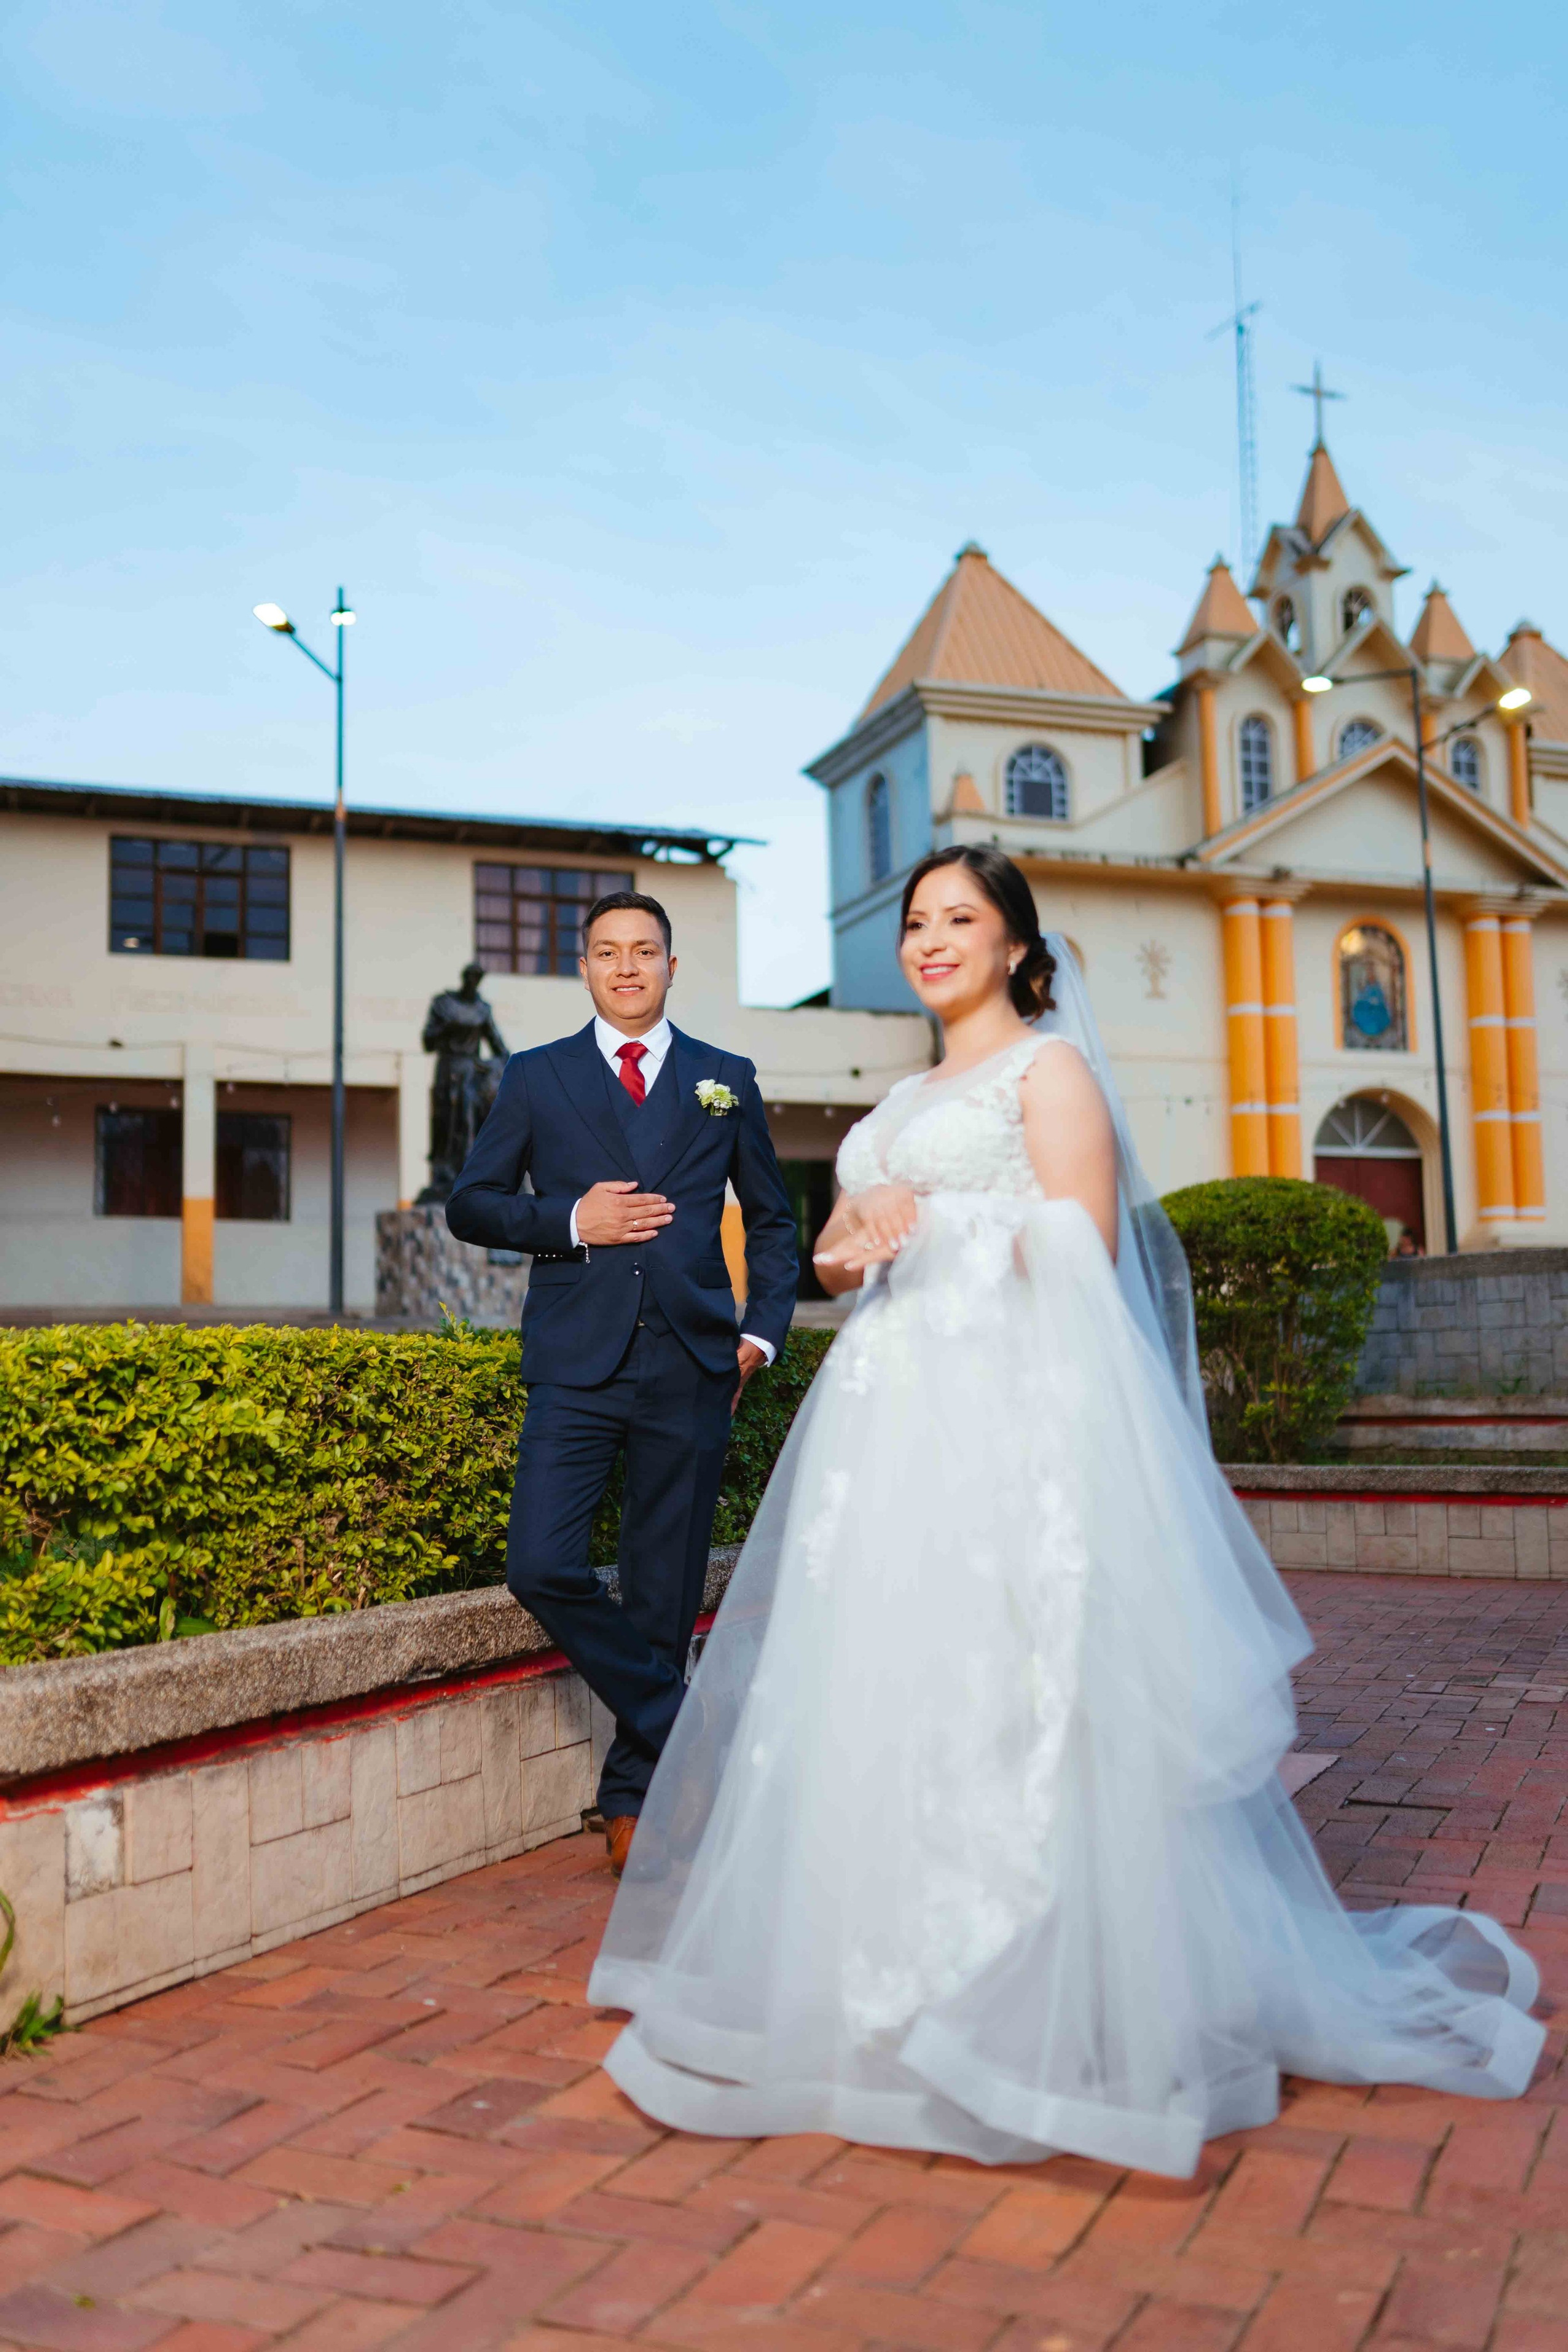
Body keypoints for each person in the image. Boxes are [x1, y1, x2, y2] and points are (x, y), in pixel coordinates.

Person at [589, 845, 1543, 2179]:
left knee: (1011, 1685)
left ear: (1015, 948)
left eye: (958, 920)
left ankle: (1034, 1986)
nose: (929, 940)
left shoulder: (1049, 1071)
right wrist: (853, 1224)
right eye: (916, 921)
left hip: (1002, 1419)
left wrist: (939, 1221)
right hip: (886, 1425)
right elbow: (835, 1250)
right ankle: (883, 1974)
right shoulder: (901, 1091)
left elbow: (1081, 1241)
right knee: (884, 1681)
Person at [445, 890, 798, 1877]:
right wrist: (567, 1221)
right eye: (609, 952)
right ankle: (687, 1727)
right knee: (540, 1564)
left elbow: (773, 1222)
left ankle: (632, 1799)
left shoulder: (726, 1080)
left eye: (646, 951)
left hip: (692, 1365)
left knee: (662, 1591)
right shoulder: (537, 1076)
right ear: (586, 967)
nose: (629, 967)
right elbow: (471, 1205)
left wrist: (761, 1337)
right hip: (577, 1361)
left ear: (672, 968)